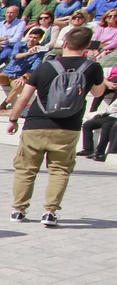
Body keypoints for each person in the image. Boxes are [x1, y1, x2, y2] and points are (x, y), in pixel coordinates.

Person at [7, 25, 106, 226]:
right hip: (68, 126)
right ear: (87, 46)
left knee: (26, 169)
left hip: (36, 123)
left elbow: (24, 97)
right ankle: (50, 212)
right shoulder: (92, 67)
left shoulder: (46, 66)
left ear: (65, 42)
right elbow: (97, 93)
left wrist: (13, 119)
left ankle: (19, 210)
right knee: (60, 170)